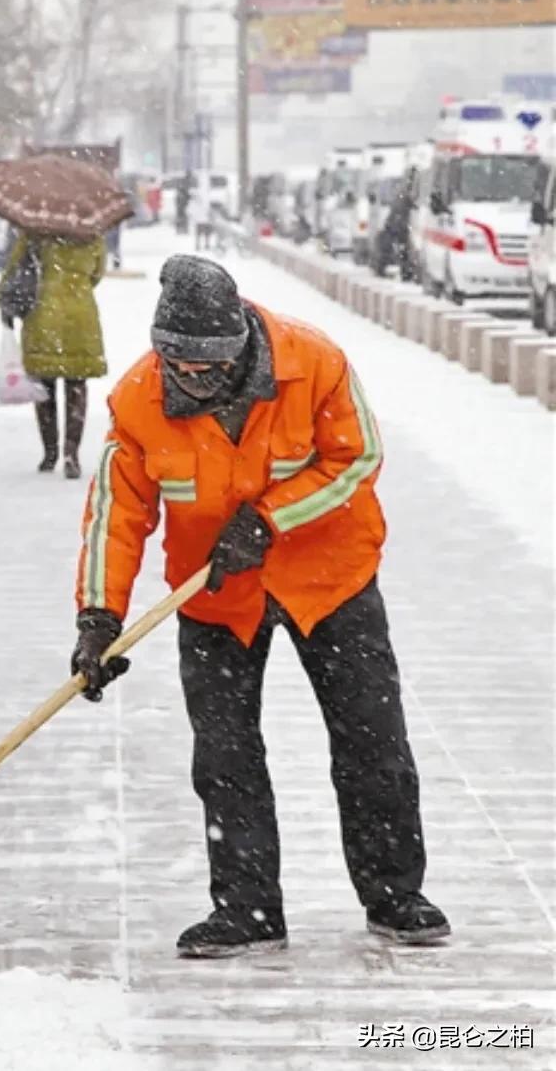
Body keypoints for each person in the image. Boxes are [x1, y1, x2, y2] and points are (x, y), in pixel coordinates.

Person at [70, 255, 449, 957]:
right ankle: (246, 908)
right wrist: (100, 619)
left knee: (372, 741)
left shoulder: (314, 361)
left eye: (208, 366)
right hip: (215, 595)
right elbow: (116, 514)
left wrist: (268, 519)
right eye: (178, 363)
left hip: (330, 580)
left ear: (240, 341)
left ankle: (396, 894)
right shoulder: (139, 398)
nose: (192, 378)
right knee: (224, 755)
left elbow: (357, 458)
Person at [0, 231, 108, 479]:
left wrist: (5, 302)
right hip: (80, 314)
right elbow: (97, 273)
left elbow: (15, 269)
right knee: (76, 384)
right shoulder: (91, 232)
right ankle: (71, 454)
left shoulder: (35, 232)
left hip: (42, 312)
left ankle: (50, 452)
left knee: (44, 386)